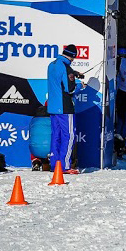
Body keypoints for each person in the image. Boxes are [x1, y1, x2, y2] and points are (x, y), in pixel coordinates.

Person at [47, 44, 84, 174]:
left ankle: (55, 165)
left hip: (53, 107)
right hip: (65, 107)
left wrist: (74, 74)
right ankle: (65, 166)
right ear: (73, 57)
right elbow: (70, 89)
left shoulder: (52, 64)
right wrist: (80, 85)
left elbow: (60, 78)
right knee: (69, 136)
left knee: (56, 135)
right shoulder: (66, 68)